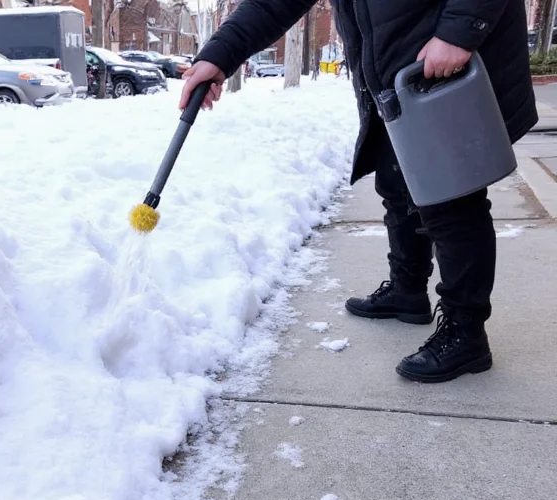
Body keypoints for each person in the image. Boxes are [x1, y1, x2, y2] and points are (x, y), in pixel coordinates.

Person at [179, 0, 537, 384]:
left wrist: (459, 32)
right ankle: (408, 290)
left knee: (451, 199)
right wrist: (220, 54)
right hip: (392, 58)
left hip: (447, 55)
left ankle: (466, 333)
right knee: (394, 178)